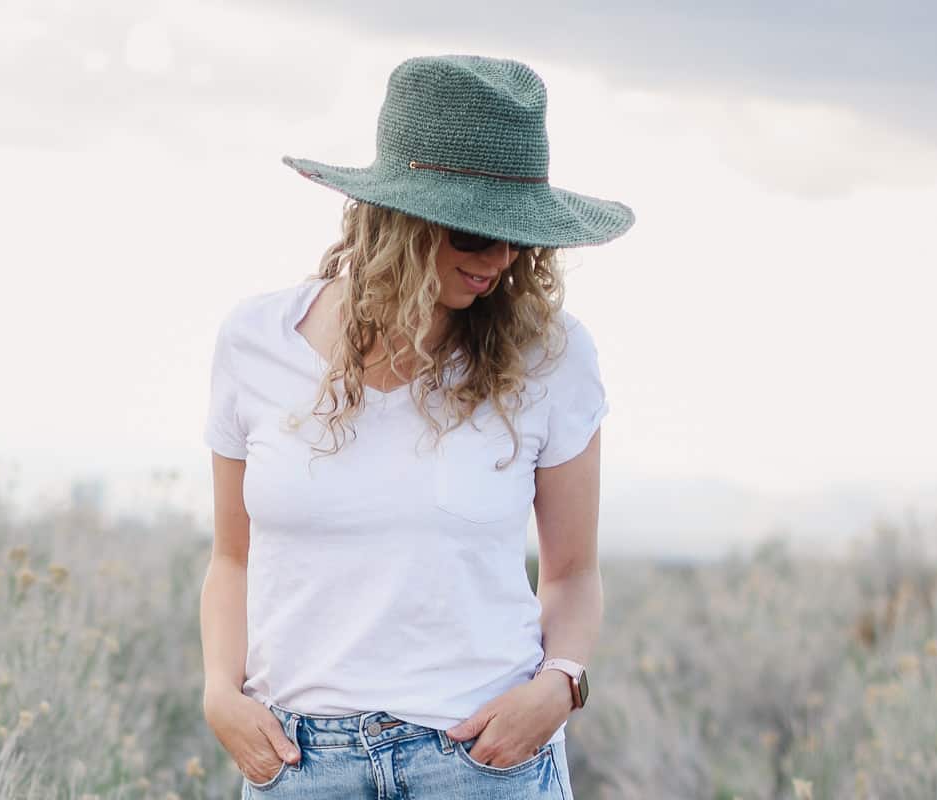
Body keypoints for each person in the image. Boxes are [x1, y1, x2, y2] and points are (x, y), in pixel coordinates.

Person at [200, 54, 634, 800]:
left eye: (518, 238)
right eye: (474, 234)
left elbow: (572, 573)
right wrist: (218, 693)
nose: (499, 260)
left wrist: (559, 688)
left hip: (482, 760)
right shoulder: (254, 342)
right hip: (300, 763)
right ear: (396, 219)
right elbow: (232, 559)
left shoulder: (552, 357)